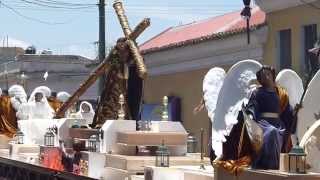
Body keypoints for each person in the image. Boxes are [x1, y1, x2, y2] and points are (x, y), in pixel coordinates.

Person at [245, 66, 296, 169]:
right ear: (260, 79)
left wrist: (294, 111)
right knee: (272, 132)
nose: (266, 77)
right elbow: (251, 106)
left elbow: (286, 109)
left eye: (268, 74)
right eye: (263, 75)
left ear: (273, 75)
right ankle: (268, 164)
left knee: (279, 132)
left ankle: (278, 164)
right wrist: (250, 114)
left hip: (278, 122)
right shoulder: (257, 92)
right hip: (262, 122)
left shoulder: (280, 93)